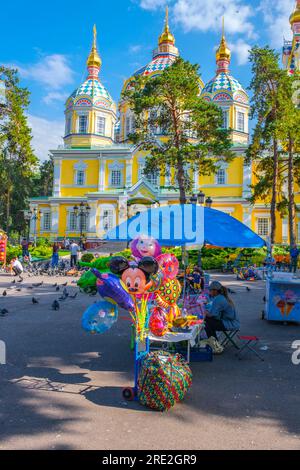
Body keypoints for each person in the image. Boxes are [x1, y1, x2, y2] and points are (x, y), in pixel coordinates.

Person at [203, 281, 240, 354]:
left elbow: (212, 314)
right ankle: (215, 343)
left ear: (215, 291)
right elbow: (215, 313)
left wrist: (204, 311)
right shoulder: (221, 297)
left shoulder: (218, 299)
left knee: (207, 322)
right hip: (230, 321)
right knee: (208, 322)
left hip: (230, 323)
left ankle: (215, 346)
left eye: (210, 290)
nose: (209, 292)